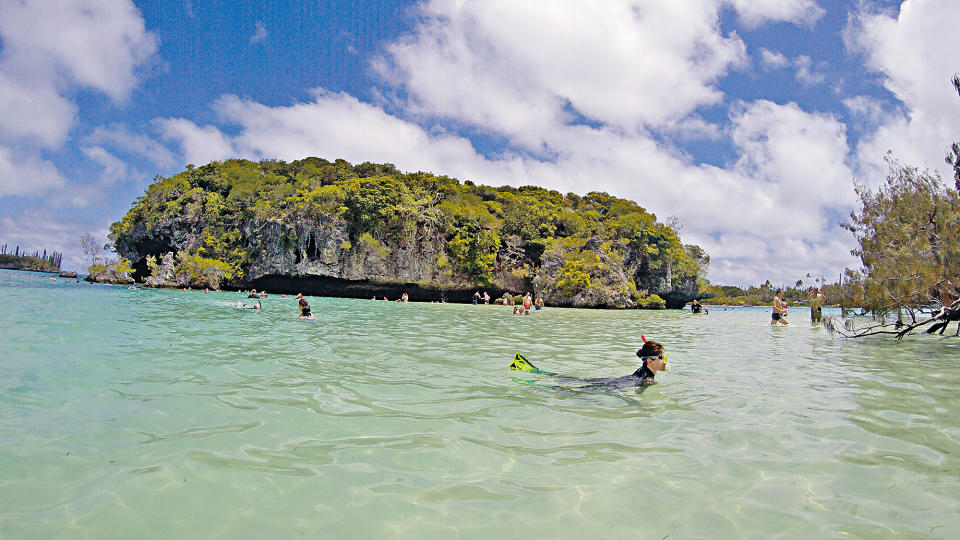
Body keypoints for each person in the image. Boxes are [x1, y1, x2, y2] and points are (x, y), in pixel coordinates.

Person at [509, 339, 669, 387]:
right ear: (650, 361)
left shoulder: (643, 371)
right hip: (612, 386)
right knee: (570, 390)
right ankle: (532, 382)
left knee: (575, 382)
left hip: (615, 382)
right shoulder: (647, 380)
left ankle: (534, 372)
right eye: (661, 358)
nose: (665, 362)